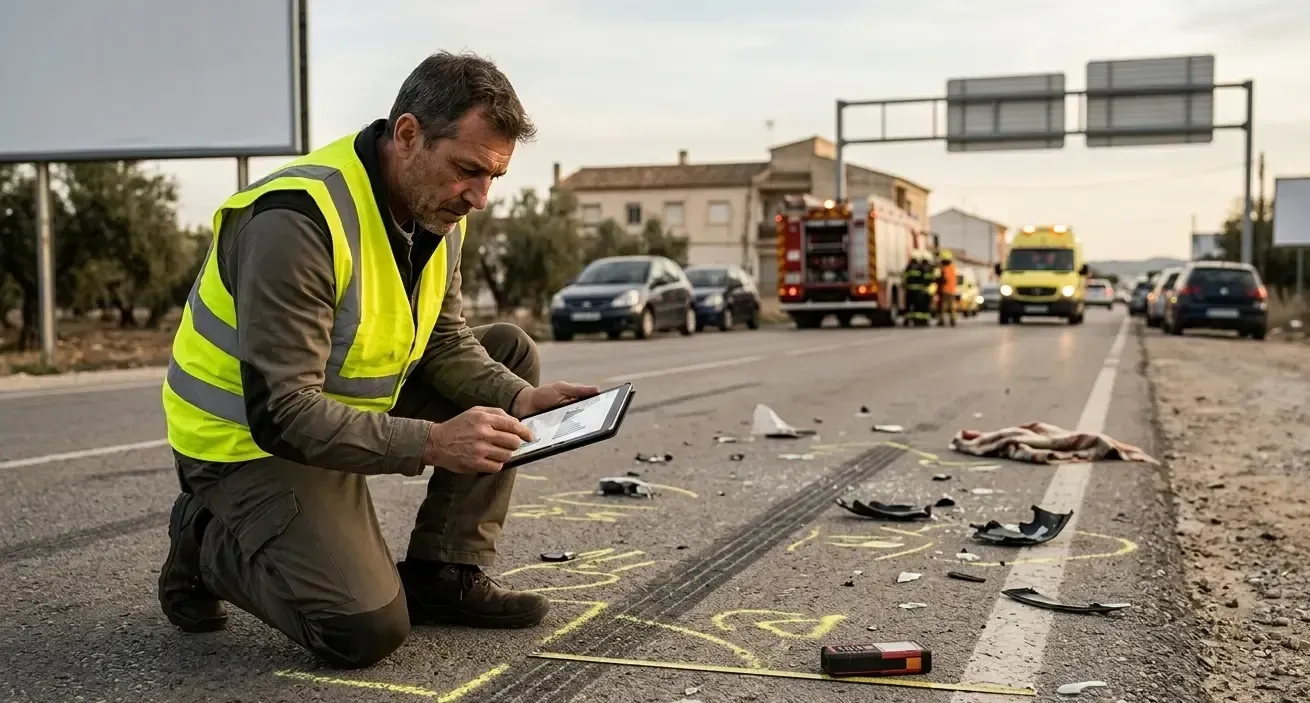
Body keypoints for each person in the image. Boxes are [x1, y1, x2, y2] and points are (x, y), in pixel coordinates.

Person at [156, 51, 600, 669]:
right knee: (362, 631)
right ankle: (203, 539)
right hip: (247, 444)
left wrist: (518, 398)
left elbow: (444, 340)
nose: (480, 197)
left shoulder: (439, 207)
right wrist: (431, 441)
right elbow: (281, 413)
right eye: (469, 170)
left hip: (337, 412)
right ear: (408, 134)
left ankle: (443, 573)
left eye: (494, 176)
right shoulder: (296, 221)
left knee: (510, 356)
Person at [902, 253, 925, 327]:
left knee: (908, 306)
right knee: (917, 306)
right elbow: (924, 278)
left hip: (909, 290)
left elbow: (904, 276)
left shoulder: (908, 267)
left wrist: (905, 285)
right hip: (918, 291)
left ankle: (907, 320)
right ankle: (916, 320)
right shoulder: (920, 267)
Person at [937, 250, 958, 327]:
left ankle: (941, 320)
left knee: (943, 306)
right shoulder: (952, 268)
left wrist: (937, 280)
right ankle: (952, 320)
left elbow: (944, 279)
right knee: (952, 306)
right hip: (952, 290)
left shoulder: (944, 269)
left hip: (945, 290)